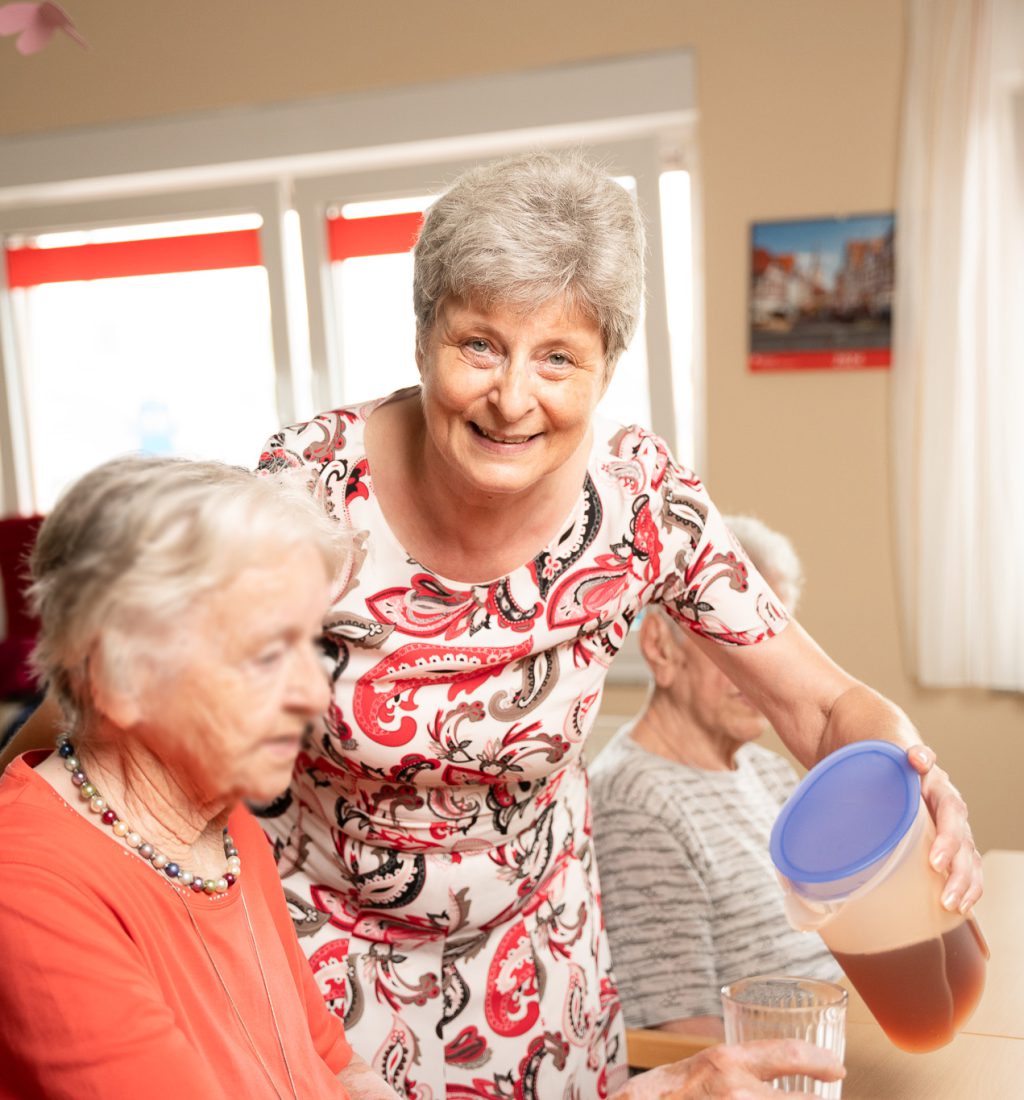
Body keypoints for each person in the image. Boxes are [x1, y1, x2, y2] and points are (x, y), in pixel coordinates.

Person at [2, 151, 979, 1100]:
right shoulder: (309, 484)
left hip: (539, 966)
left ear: (606, 368)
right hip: (324, 965)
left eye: (559, 356)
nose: (513, 397)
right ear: (424, 336)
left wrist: (916, 786)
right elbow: (134, 677)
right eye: (480, 344)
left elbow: (824, 708)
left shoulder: (640, 502)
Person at [0, 457, 400, 1100]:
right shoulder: (27, 886)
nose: (311, 692)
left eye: (314, 647)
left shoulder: (222, 816)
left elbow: (331, 1065)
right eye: (267, 653)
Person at [590, 515, 843, 1040]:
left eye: (771, 646)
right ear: (660, 648)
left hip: (844, 1046)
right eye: (736, 639)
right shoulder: (634, 803)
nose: (764, 673)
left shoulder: (769, 773)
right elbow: (685, 1040)